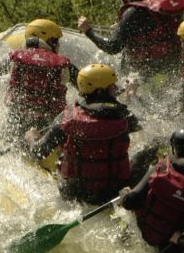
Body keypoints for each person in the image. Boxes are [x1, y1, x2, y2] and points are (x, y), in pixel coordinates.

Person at [25, 63, 143, 205]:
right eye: (113, 86)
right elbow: (140, 125)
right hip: (112, 193)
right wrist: (130, 94)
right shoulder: (124, 116)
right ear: (101, 91)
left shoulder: (67, 117)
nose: (116, 88)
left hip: (73, 194)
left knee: (60, 152)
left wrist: (32, 136)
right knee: (146, 152)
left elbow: (39, 152)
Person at [119, 127, 184, 253]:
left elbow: (131, 202)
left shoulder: (161, 167)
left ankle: (122, 245)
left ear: (175, 147)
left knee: (125, 208)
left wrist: (125, 195)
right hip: (170, 247)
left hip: (142, 232)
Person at [77, 0, 184, 78]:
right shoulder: (161, 2)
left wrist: (88, 31)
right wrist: (123, 25)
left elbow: (113, 47)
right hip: (175, 65)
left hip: (148, 72)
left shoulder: (133, 13)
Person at [0, 19, 79, 137]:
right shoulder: (63, 65)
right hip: (47, 127)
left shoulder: (14, 58)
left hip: (15, 122)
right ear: (49, 41)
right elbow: (85, 86)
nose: (58, 45)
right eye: (56, 41)